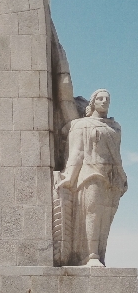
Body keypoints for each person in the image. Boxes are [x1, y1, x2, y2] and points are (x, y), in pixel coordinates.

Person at [57, 89, 127, 266]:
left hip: (112, 178)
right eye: (100, 98)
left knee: (106, 218)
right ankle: (91, 255)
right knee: (92, 214)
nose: (104, 101)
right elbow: (77, 153)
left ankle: (99, 254)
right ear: (93, 102)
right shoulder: (81, 125)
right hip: (90, 175)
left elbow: (117, 156)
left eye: (107, 99)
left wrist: (122, 175)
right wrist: (69, 178)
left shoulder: (115, 127)